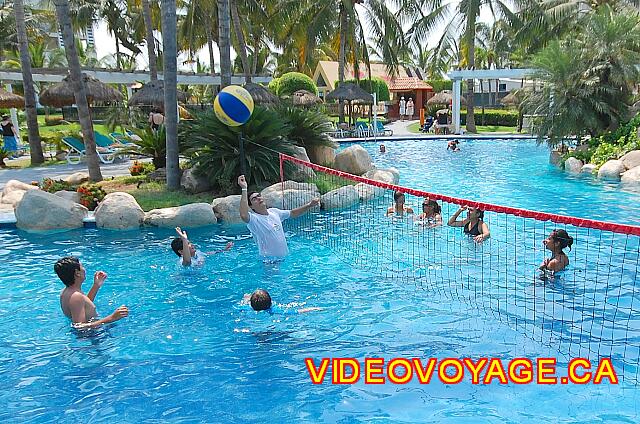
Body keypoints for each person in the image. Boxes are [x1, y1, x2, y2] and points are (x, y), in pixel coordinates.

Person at [238, 175, 320, 259]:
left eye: (259, 195)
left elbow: (293, 213)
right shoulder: (255, 220)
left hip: (285, 258)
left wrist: (309, 205)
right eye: (254, 199)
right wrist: (244, 188)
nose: (258, 198)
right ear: (251, 207)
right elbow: (244, 215)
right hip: (270, 262)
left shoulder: (274, 212)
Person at [54, 256, 129, 328]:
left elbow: (84, 305)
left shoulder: (67, 291)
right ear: (77, 273)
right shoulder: (76, 296)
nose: (84, 269)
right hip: (93, 334)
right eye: (82, 267)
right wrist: (112, 318)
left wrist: (96, 285)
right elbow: (79, 327)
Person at [246, 289, 321, 314]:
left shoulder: (245, 308)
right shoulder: (275, 310)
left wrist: (246, 299)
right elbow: (298, 311)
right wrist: (314, 308)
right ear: (271, 302)